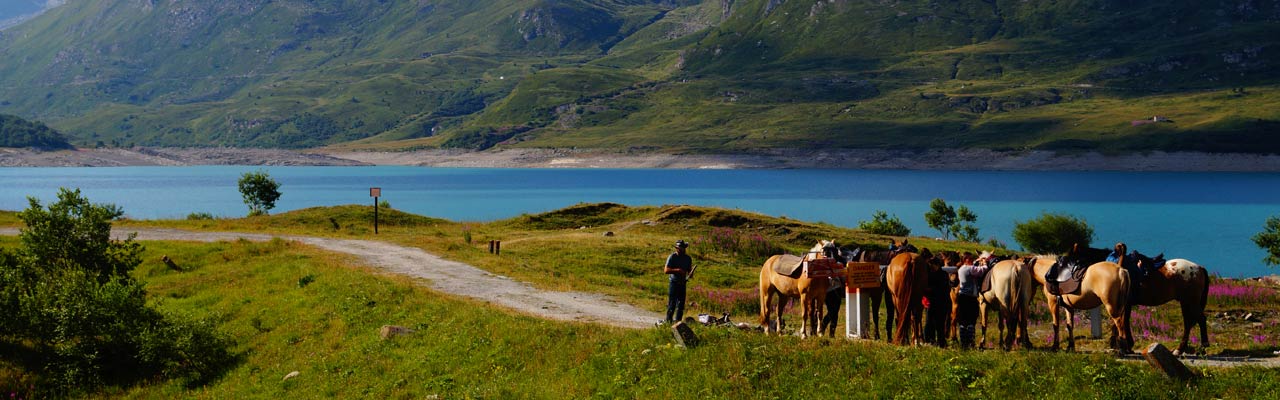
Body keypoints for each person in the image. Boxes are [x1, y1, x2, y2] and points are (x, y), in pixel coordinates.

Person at [952, 254, 989, 349]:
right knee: (972, 320)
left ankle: (964, 343)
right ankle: (971, 342)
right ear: (965, 260)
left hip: (962, 297)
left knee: (963, 321)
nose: (972, 260)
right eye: (970, 259)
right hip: (970, 298)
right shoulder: (970, 268)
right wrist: (984, 263)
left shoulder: (961, 269)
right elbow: (982, 270)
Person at [923, 255, 953, 348]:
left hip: (939, 302)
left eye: (932, 265)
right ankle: (933, 341)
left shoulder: (941, 275)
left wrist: (928, 290)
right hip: (936, 301)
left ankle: (937, 341)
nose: (931, 267)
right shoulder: (939, 274)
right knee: (931, 322)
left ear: (937, 265)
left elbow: (941, 289)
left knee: (937, 323)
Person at [663, 240, 693, 324]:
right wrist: (678, 270)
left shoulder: (688, 258)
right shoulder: (672, 257)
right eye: (678, 248)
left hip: (683, 283)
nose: (679, 250)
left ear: (684, 249)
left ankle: (678, 323)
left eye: (681, 248)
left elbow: (689, 271)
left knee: (681, 305)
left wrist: (690, 274)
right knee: (672, 304)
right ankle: (668, 322)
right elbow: (666, 270)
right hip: (674, 283)